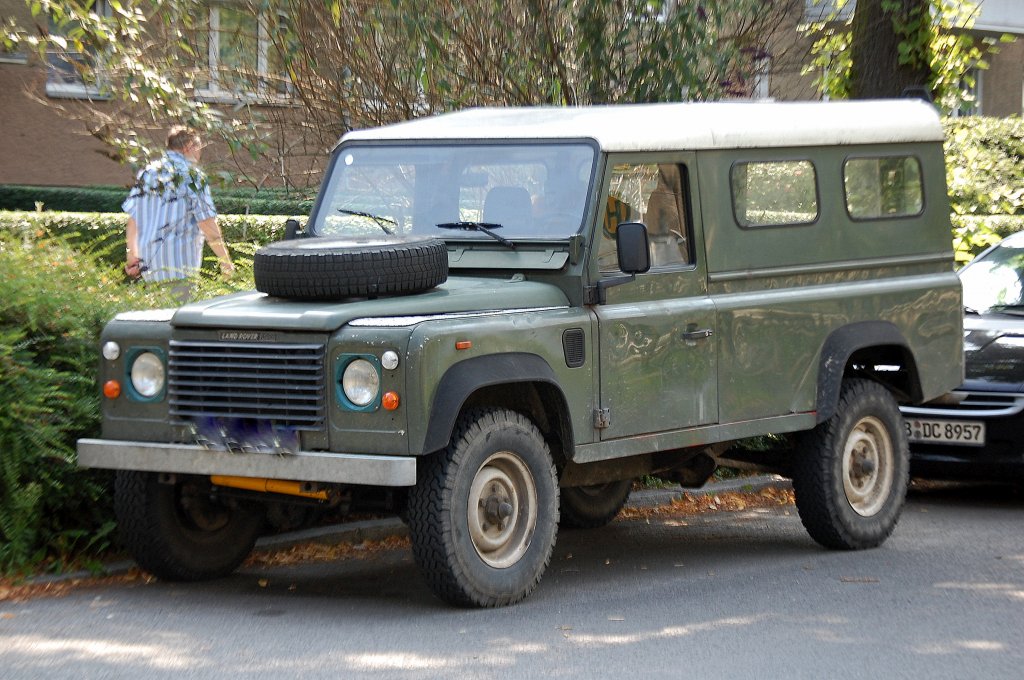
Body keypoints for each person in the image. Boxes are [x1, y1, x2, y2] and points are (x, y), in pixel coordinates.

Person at [123, 127, 233, 297]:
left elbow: (133, 218)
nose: (199, 155)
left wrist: (132, 254)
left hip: (149, 265)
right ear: (189, 146)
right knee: (178, 320)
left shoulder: (148, 173)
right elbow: (206, 222)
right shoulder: (192, 176)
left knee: (157, 318)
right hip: (179, 266)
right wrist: (225, 262)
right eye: (199, 148)